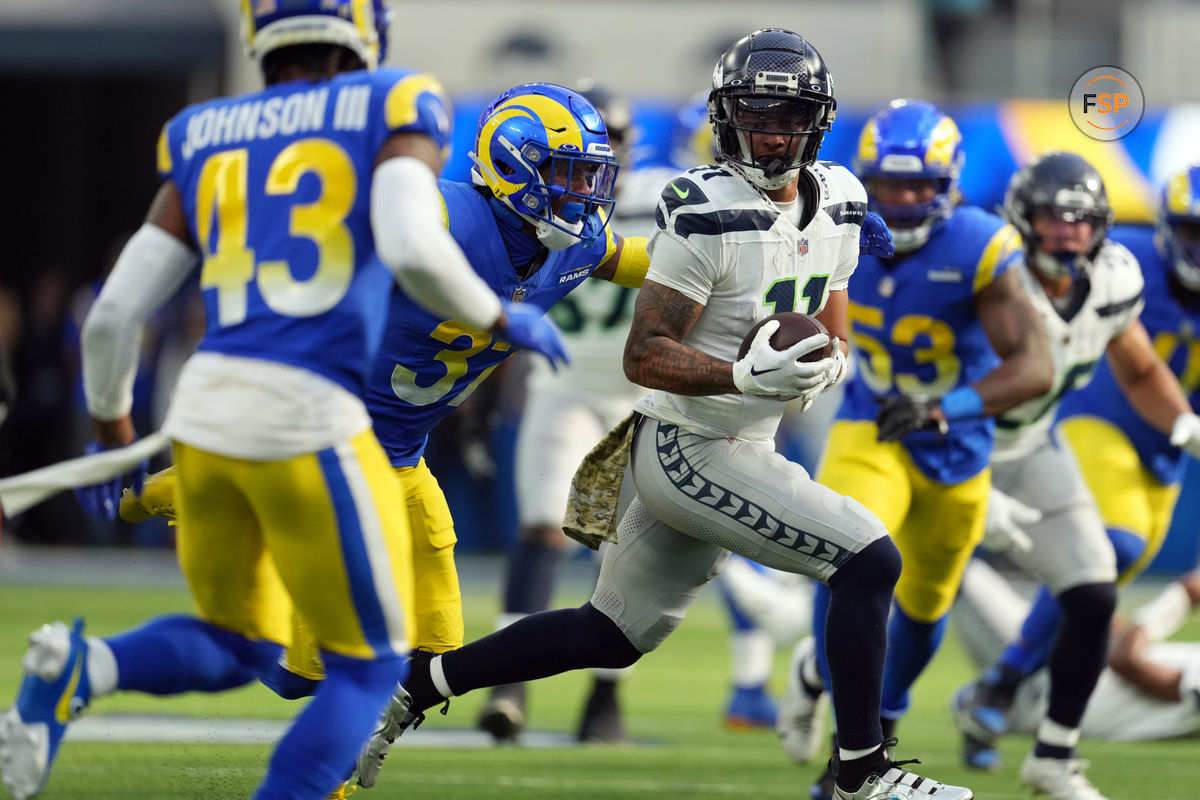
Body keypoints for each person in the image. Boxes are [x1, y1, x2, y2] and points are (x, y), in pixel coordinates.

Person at [359, 29, 979, 800]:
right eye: (755, 115)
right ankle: (862, 773)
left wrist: (828, 360)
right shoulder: (702, 209)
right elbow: (643, 354)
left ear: (815, 123)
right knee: (869, 558)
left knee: (608, 635)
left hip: (737, 438)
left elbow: (833, 318)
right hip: (692, 443)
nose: (771, 132)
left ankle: (417, 685)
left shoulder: (844, 200)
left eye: (787, 116)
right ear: (726, 118)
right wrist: (741, 371)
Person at [0, 4, 569, 800]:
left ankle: (85, 668)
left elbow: (114, 314)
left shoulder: (205, 129)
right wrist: (501, 316)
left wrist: (111, 434)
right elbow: (411, 244)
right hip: (310, 409)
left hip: (205, 409)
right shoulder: (390, 102)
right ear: (365, 30)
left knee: (238, 643)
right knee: (368, 665)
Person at [781, 98, 1053, 800]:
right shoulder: (834, 226)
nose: (901, 203)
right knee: (846, 557)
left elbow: (1033, 366)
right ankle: (853, 755)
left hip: (955, 444)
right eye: (889, 186)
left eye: (918, 187)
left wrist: (944, 407)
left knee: (926, 608)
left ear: (949, 183)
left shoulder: (978, 244)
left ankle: (868, 717)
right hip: (870, 427)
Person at [951, 158, 1200, 794]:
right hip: (1100, 420)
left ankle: (999, 697)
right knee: (1105, 550)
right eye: (1194, 233)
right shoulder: (1122, 258)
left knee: (1108, 577)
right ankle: (1005, 682)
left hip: (1169, 446)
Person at [478, 83, 651, 745]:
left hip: (639, 396)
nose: (589, 175)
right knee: (543, 530)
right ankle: (509, 686)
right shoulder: (532, 209)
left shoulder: (664, 203)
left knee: (629, 550)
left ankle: (604, 699)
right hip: (564, 386)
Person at [953, 559, 1200, 742]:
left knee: (957, 571)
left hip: (1041, 691)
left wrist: (1179, 599)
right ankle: (978, 702)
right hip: (1060, 667)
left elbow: (1126, 661)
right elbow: (1128, 649)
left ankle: (988, 698)